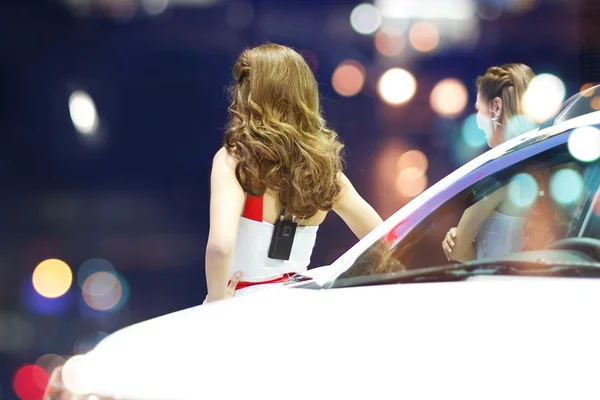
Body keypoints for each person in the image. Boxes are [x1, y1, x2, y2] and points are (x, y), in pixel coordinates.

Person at [205, 43, 383, 302]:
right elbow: (383, 240)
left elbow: (220, 248)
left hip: (242, 308)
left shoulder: (234, 161)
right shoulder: (325, 170)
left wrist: (215, 301)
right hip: (301, 304)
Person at [442, 63, 536, 262]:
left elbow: (458, 250)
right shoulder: (547, 161)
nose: (477, 120)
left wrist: (457, 239)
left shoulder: (501, 173)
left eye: (478, 108)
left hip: (495, 287)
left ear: (496, 107)